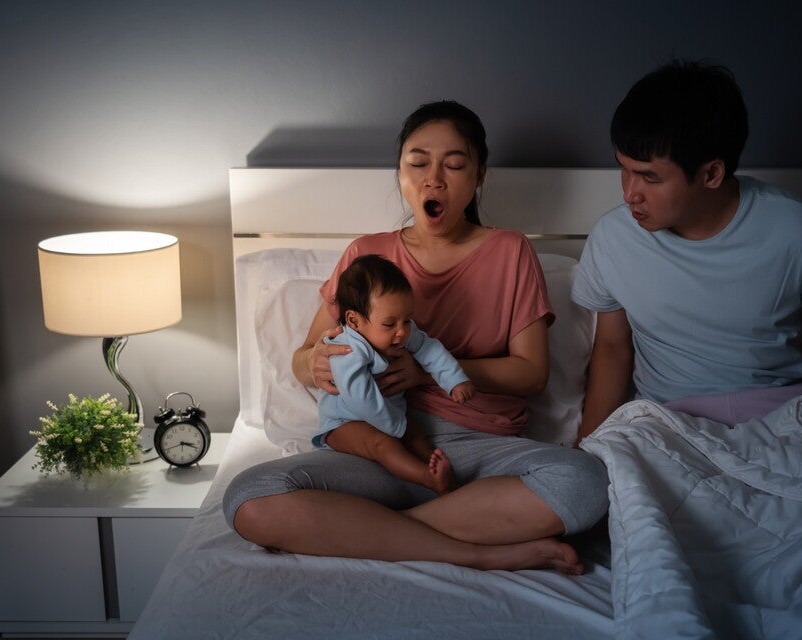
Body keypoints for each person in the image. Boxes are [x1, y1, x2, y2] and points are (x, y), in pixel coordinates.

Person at [224, 100, 609, 574]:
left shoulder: (511, 251)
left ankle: (369, 529)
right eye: (418, 162)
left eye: (454, 164)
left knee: (587, 482)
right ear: (401, 173)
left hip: (479, 450)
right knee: (249, 497)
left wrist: (426, 372)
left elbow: (531, 374)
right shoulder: (367, 254)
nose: (435, 178)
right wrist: (314, 364)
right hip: (377, 442)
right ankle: (476, 550)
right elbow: (304, 358)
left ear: (479, 175)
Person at [571, 59, 802, 443]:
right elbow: (614, 349)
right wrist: (588, 445)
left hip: (784, 419)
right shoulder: (613, 237)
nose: (629, 193)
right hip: (667, 422)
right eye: (624, 169)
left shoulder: (799, 233)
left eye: (650, 177)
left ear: (712, 174)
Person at [315, 253, 474, 495]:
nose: (402, 332)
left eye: (407, 321)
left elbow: (428, 348)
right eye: (390, 325)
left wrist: (454, 380)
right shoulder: (347, 349)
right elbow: (361, 399)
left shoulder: (398, 332)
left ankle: (439, 470)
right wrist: (396, 425)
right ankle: (427, 479)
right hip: (344, 422)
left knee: (417, 435)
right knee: (383, 444)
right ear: (354, 321)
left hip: (389, 414)